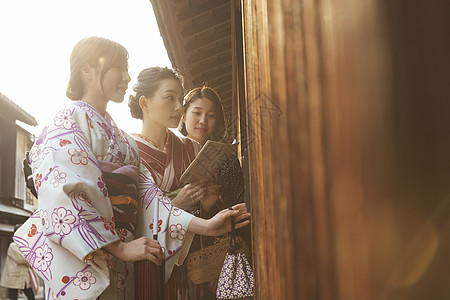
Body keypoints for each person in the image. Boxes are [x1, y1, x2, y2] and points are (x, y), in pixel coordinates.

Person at [13, 37, 250, 300]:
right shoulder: (68, 119)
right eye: (119, 68)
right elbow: (63, 190)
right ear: (88, 70)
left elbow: (150, 198)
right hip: (92, 255)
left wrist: (208, 226)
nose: (127, 78)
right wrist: (118, 247)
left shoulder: (123, 140)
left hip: (124, 255)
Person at [128, 67, 222, 299]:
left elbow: (210, 215)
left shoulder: (194, 148)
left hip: (194, 262)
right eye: (170, 98)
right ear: (144, 102)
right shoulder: (127, 150)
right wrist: (175, 205)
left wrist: (208, 204)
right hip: (149, 259)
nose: (179, 107)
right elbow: (127, 216)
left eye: (180, 99)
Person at [180, 86, 252, 299]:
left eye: (211, 116)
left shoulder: (226, 159)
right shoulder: (171, 153)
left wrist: (212, 205)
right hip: (183, 256)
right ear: (183, 115)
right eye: (197, 113)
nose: (203, 120)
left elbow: (240, 202)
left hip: (223, 253)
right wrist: (198, 205)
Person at [0, 225, 36, 300]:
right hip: (14, 277)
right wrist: (33, 259)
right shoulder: (13, 246)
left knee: (31, 296)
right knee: (13, 297)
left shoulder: (25, 245)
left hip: (24, 277)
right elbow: (22, 259)